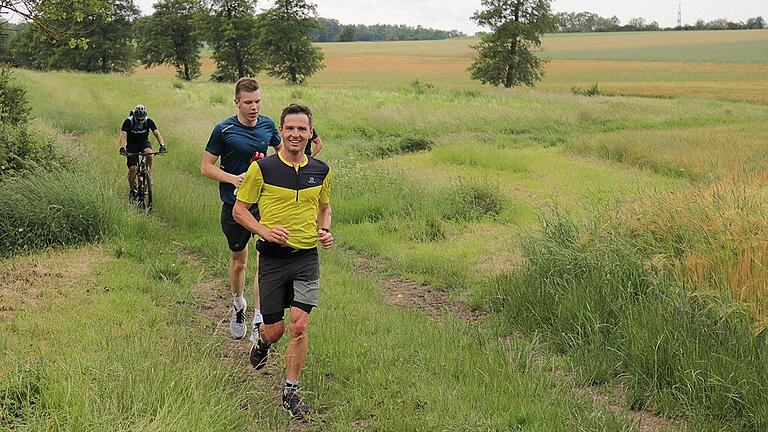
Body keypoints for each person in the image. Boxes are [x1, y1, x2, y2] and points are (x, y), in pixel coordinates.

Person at [233, 103, 333, 419]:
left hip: (306, 258)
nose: (295, 134)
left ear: (310, 134)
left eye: (302, 129)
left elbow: (324, 208)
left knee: (300, 325)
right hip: (273, 260)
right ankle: (262, 343)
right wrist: (264, 230)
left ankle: (290, 391)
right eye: (289, 128)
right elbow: (240, 210)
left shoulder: (321, 171)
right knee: (275, 332)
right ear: (281, 131)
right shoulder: (262, 169)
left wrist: (325, 229)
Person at [200, 78, 281, 342]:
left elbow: (280, 153)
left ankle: (259, 317)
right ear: (237, 102)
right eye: (248, 102)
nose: (254, 107)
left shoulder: (268, 125)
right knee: (239, 262)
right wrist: (233, 178)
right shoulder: (223, 130)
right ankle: (238, 304)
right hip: (234, 205)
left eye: (258, 101)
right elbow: (206, 167)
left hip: (263, 204)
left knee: (264, 258)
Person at [118, 104, 166, 198]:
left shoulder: (148, 121)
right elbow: (123, 135)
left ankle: (147, 173)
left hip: (144, 142)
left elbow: (156, 133)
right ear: (135, 115)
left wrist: (162, 145)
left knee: (149, 153)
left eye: (142, 119)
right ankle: (132, 190)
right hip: (132, 145)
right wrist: (122, 148)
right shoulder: (128, 121)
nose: (140, 121)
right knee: (133, 168)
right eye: (138, 119)